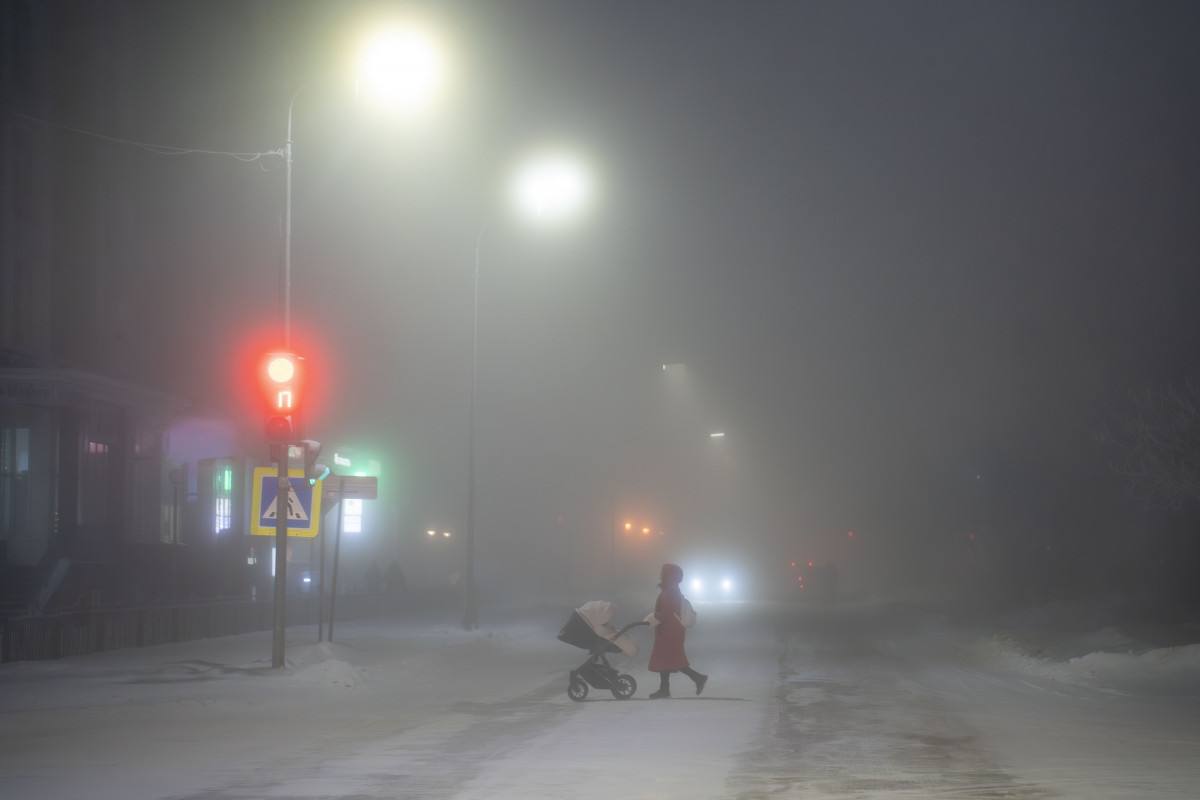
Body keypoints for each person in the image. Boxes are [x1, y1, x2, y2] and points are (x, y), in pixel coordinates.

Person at [647, 563, 708, 699]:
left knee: (671, 659)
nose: (661, 575)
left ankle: (697, 678)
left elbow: (667, 611)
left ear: (668, 576)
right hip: (670, 629)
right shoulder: (672, 589)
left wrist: (655, 616)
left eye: (664, 573)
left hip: (670, 630)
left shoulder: (670, 591)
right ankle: (665, 689)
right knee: (667, 659)